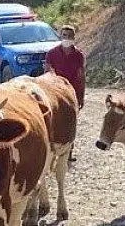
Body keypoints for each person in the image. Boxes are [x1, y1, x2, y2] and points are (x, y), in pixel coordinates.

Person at [45, 25, 85, 162]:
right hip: (56, 92)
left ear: (73, 38)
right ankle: (51, 149)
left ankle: (69, 151)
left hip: (72, 92)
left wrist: (81, 96)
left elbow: (81, 75)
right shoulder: (52, 53)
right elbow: (48, 72)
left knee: (71, 120)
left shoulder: (78, 55)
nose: (66, 38)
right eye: (64, 35)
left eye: (69, 36)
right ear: (60, 36)